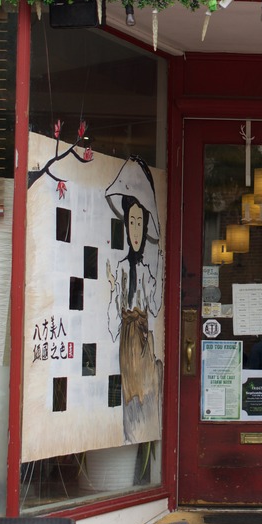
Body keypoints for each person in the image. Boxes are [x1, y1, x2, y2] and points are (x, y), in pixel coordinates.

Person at [105, 158, 163, 442]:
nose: (136, 230)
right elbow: (110, 320)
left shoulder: (149, 272)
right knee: (130, 399)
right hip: (126, 345)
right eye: (132, 222)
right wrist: (114, 289)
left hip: (143, 344)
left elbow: (154, 305)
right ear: (126, 226)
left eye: (140, 222)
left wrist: (161, 266)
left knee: (146, 400)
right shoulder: (119, 269)